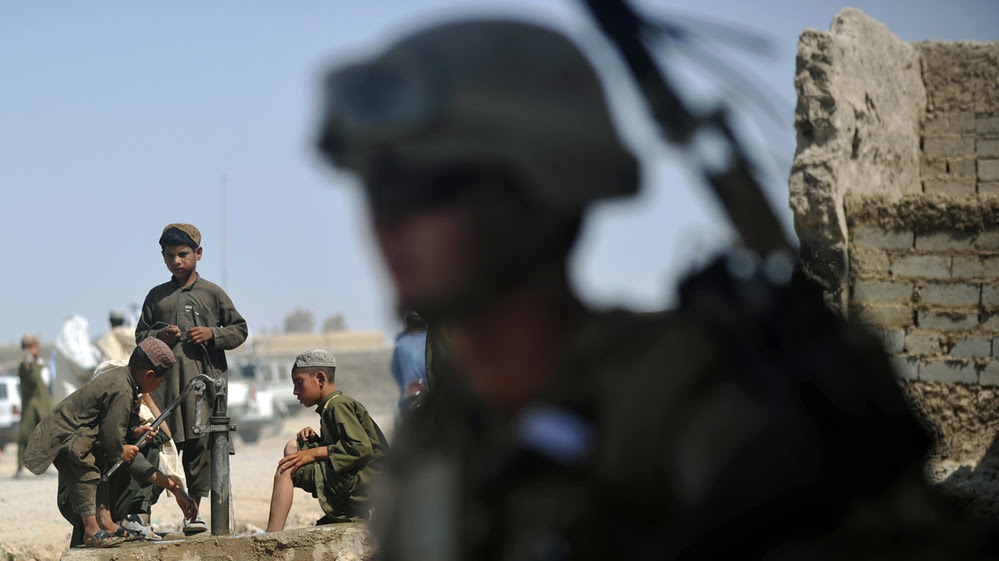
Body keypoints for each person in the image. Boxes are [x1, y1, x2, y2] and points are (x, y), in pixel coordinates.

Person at [314, 18, 996, 561]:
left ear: (540, 195)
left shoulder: (682, 398)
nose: (386, 222)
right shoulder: (447, 430)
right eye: (374, 186)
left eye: (424, 188)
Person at [135, 223, 248, 534]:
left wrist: (213, 334)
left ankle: (193, 515)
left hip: (202, 389)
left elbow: (239, 329)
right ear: (163, 257)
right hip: (164, 390)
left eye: (183, 254)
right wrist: (159, 335)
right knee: (158, 448)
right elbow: (140, 336)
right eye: (169, 256)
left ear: (198, 253)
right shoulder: (157, 296)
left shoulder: (213, 293)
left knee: (199, 451)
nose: (177, 261)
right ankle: (141, 517)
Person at [23, 338, 176, 548]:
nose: (158, 386)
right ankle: (92, 531)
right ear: (149, 375)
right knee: (88, 472)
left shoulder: (126, 384)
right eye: (160, 382)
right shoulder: (122, 389)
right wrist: (122, 450)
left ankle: (107, 523)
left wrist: (134, 431)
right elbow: (111, 437)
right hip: (65, 435)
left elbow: (116, 426)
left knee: (100, 467)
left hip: (80, 435)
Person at [265, 349, 389, 532]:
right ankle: (344, 514)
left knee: (286, 468)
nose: (295, 391)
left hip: (361, 483)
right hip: (359, 480)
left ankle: (270, 537)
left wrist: (313, 452)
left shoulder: (338, 405)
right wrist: (317, 440)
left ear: (320, 378)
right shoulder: (331, 406)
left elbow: (359, 447)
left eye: (299, 383)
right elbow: (342, 443)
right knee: (293, 446)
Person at [15, 334, 52, 479]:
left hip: (42, 404)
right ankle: (20, 468)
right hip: (31, 405)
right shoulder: (26, 364)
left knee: (44, 436)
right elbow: (33, 379)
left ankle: (43, 465)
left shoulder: (39, 363)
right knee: (25, 435)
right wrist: (29, 363)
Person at [390, 311, 427, 413]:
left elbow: (395, 370)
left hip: (409, 393)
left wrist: (403, 386)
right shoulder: (432, 341)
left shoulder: (400, 344)